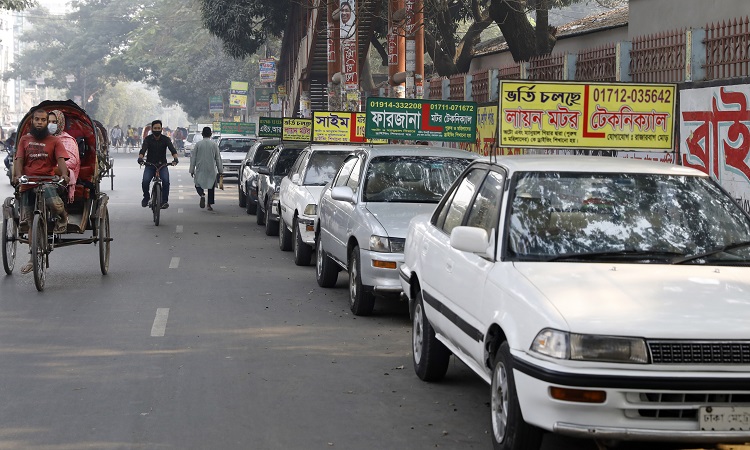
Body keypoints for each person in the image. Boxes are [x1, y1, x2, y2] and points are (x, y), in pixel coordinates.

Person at [12, 108, 70, 274]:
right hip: (28, 181)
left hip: (47, 180)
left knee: (54, 203)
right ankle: (32, 258)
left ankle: (63, 216)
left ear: (46, 122)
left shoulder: (54, 141)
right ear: (32, 121)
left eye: (43, 120)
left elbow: (60, 160)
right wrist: (18, 176)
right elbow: (19, 159)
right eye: (37, 119)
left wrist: (64, 174)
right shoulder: (24, 139)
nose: (39, 122)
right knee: (30, 222)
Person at [138, 119, 178, 209]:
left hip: (162, 165)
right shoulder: (148, 139)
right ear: (152, 129)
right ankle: (146, 197)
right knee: (145, 181)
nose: (157, 130)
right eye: (155, 128)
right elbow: (143, 150)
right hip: (150, 165)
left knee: (166, 181)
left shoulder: (166, 139)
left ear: (161, 129)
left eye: (158, 128)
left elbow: (172, 149)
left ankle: (164, 201)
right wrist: (140, 158)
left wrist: (175, 158)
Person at [48, 110, 80, 203]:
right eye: (48, 121)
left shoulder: (67, 140)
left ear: (61, 123)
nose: (51, 125)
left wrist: (53, 166)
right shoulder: (40, 138)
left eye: (54, 122)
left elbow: (72, 162)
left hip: (58, 176)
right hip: (38, 174)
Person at [189, 127, 223, 211]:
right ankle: (209, 205)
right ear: (210, 134)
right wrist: (220, 171)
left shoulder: (198, 144)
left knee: (198, 184)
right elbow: (218, 158)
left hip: (200, 168)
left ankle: (202, 195)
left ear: (202, 134)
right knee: (211, 186)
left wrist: (192, 170)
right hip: (211, 168)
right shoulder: (214, 144)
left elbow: (193, 158)